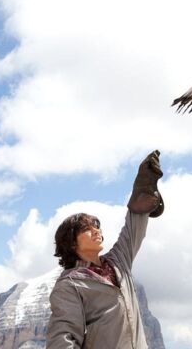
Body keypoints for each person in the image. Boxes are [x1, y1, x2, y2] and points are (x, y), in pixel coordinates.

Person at [46, 150, 164, 349]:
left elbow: (133, 227)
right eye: (86, 229)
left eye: (96, 226)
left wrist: (143, 187)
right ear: (71, 243)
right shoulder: (69, 285)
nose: (96, 231)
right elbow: (63, 337)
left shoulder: (118, 262)